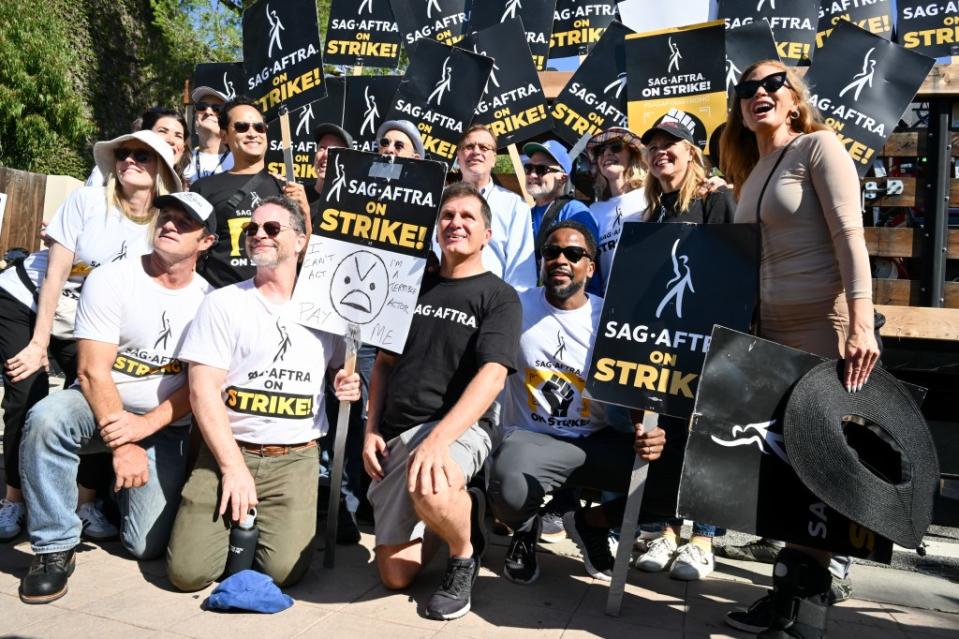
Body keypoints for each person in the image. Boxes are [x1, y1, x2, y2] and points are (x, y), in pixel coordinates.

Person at [719, 59, 879, 638]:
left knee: (820, 460)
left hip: (820, 325)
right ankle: (789, 594)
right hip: (769, 335)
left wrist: (862, 321)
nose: (758, 94)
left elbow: (849, 235)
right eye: (747, 89)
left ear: (793, 99)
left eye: (772, 85)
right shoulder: (752, 170)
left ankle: (804, 603)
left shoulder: (819, 147)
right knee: (788, 465)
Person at [17, 192, 216, 604]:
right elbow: (91, 371)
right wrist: (124, 442)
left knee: (144, 546)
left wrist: (144, 428)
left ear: (206, 241)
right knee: (47, 419)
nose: (170, 225)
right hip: (97, 405)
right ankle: (53, 548)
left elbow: (199, 387)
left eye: (185, 222)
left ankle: (109, 490)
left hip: (162, 426)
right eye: (167, 216)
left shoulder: (209, 302)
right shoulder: (112, 278)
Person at [165, 195, 360, 591]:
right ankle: (235, 533)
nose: (258, 235)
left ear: (301, 242)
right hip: (227, 451)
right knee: (187, 574)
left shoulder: (328, 310)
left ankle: (250, 534)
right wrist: (232, 467)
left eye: (272, 228)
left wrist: (349, 382)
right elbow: (202, 392)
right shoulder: (222, 303)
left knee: (285, 572)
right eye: (252, 229)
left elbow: (342, 369)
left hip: (294, 459)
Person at [0, 130, 181, 543]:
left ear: (161, 174)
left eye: (142, 156)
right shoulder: (87, 202)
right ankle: (14, 499)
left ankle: (85, 502)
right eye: (123, 154)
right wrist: (38, 343)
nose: (129, 161)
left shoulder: (160, 228)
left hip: (89, 321)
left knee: (100, 394)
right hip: (30, 303)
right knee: (26, 390)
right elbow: (55, 274)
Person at [362, 183, 521, 620]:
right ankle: (463, 507)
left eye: (468, 217)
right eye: (448, 216)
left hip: (459, 429)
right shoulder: (412, 287)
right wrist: (371, 428)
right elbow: (383, 364)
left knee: (429, 483)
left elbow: (492, 378)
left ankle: (464, 552)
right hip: (398, 432)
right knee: (395, 576)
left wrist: (437, 442)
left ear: (487, 234)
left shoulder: (499, 297)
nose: (456, 223)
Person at [485, 221, 667, 584]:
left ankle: (590, 523)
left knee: (674, 482)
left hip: (595, 440)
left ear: (591, 267)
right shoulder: (515, 308)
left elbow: (637, 386)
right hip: (531, 438)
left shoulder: (611, 319)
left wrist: (648, 429)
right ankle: (525, 530)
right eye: (551, 252)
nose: (560, 260)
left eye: (573, 253)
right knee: (508, 486)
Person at [629, 113, 735, 582]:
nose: (660, 151)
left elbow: (738, 269)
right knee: (668, 435)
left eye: (671, 143)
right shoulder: (653, 213)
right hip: (667, 345)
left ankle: (703, 540)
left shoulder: (717, 200)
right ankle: (667, 531)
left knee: (708, 438)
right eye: (653, 145)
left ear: (693, 151)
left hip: (714, 344)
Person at [190, 97, 310, 289]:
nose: (252, 133)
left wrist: (305, 212)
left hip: (274, 304)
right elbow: (189, 253)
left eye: (259, 127)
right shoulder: (203, 189)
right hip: (220, 303)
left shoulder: (287, 189)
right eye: (242, 127)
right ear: (224, 135)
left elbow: (303, 255)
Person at [454, 124, 537, 291]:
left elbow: (521, 275)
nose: (476, 151)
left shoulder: (514, 205)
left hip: (489, 305)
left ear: (494, 159)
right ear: (458, 157)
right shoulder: (439, 201)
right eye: (469, 146)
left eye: (484, 147)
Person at [522, 140, 599, 288]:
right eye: (528, 168)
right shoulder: (524, 214)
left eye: (541, 169)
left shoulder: (575, 212)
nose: (532, 174)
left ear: (562, 178)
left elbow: (587, 265)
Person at [586, 127, 647, 291]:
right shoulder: (593, 211)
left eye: (615, 147)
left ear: (633, 155)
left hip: (649, 297)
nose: (606, 154)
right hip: (609, 305)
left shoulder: (651, 197)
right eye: (600, 150)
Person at [85, 107, 190, 187]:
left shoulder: (187, 188)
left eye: (178, 135)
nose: (171, 140)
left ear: (183, 148)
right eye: (163, 131)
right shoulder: (105, 174)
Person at [182, 87, 234, 187]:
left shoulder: (239, 161)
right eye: (201, 106)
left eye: (217, 108)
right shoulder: (182, 160)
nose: (208, 112)